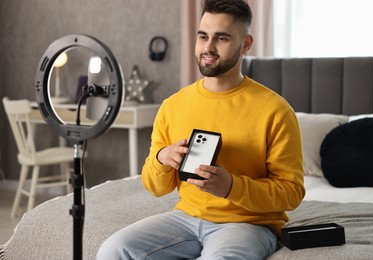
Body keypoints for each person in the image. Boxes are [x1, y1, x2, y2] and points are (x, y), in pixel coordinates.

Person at [97, 0, 305, 259]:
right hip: (186, 218)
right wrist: (163, 158)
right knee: (113, 250)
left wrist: (231, 187)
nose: (208, 47)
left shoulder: (275, 110)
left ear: (246, 44)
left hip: (248, 224)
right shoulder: (173, 106)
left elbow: (292, 193)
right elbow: (155, 188)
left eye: (222, 38)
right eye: (203, 36)